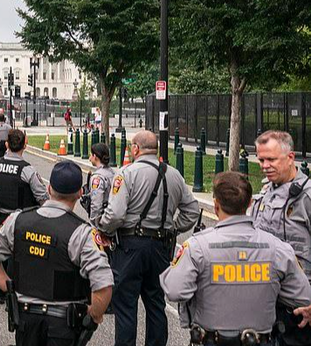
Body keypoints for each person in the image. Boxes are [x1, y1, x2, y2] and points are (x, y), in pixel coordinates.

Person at [162, 171, 311, 346]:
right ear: (249, 203)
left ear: (216, 206)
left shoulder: (196, 247)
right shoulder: (279, 249)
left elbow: (174, 290)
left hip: (211, 340)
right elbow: (303, 296)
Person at [0, 159, 113, 346]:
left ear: (49, 189)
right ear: (80, 193)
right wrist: (94, 315)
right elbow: (103, 285)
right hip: (63, 325)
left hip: (26, 321)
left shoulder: (17, 221)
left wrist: (11, 291)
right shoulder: (82, 233)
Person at [98, 130, 200, 346]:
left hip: (130, 246)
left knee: (125, 305)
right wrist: (172, 228)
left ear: (135, 148)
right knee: (155, 303)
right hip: (161, 246)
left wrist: (103, 228)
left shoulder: (126, 174)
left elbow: (115, 215)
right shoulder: (174, 175)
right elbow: (191, 211)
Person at [251, 130, 311, 344]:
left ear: (290, 157)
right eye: (261, 160)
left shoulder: (306, 197)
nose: (265, 165)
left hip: (300, 311)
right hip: (267, 306)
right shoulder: (267, 192)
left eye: (271, 159)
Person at [0, 128, 48, 304]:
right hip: (21, 218)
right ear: (24, 145)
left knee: (0, 251)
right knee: (17, 256)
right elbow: (42, 196)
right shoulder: (27, 170)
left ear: (6, 144)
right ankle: (13, 293)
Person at [84, 143, 115, 228]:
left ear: (95, 156)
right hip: (113, 216)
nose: (90, 159)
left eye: (91, 155)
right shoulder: (113, 173)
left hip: (103, 219)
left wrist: (93, 223)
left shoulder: (97, 178)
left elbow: (96, 204)